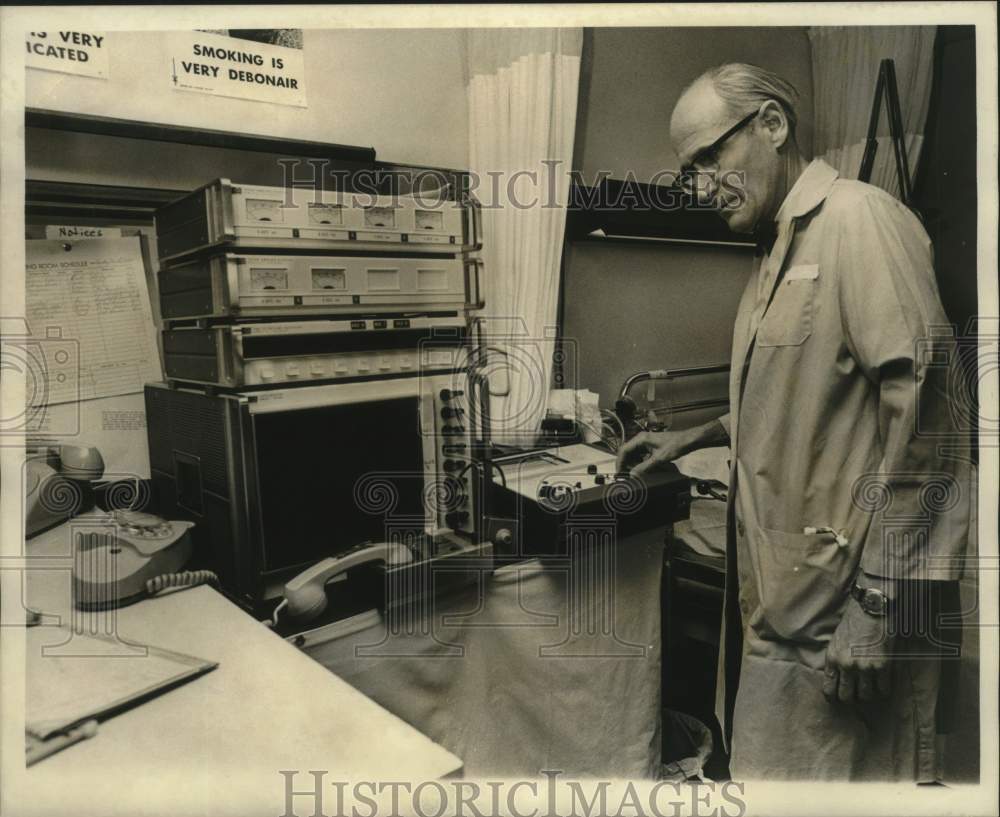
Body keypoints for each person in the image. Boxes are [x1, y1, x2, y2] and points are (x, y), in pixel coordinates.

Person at [617, 63, 971, 781]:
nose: (697, 185)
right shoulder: (780, 246)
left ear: (772, 126)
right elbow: (804, 394)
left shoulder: (860, 220)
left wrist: (876, 602)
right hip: (790, 608)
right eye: (686, 170)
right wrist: (696, 436)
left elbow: (932, 424)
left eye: (709, 157)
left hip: (852, 614)